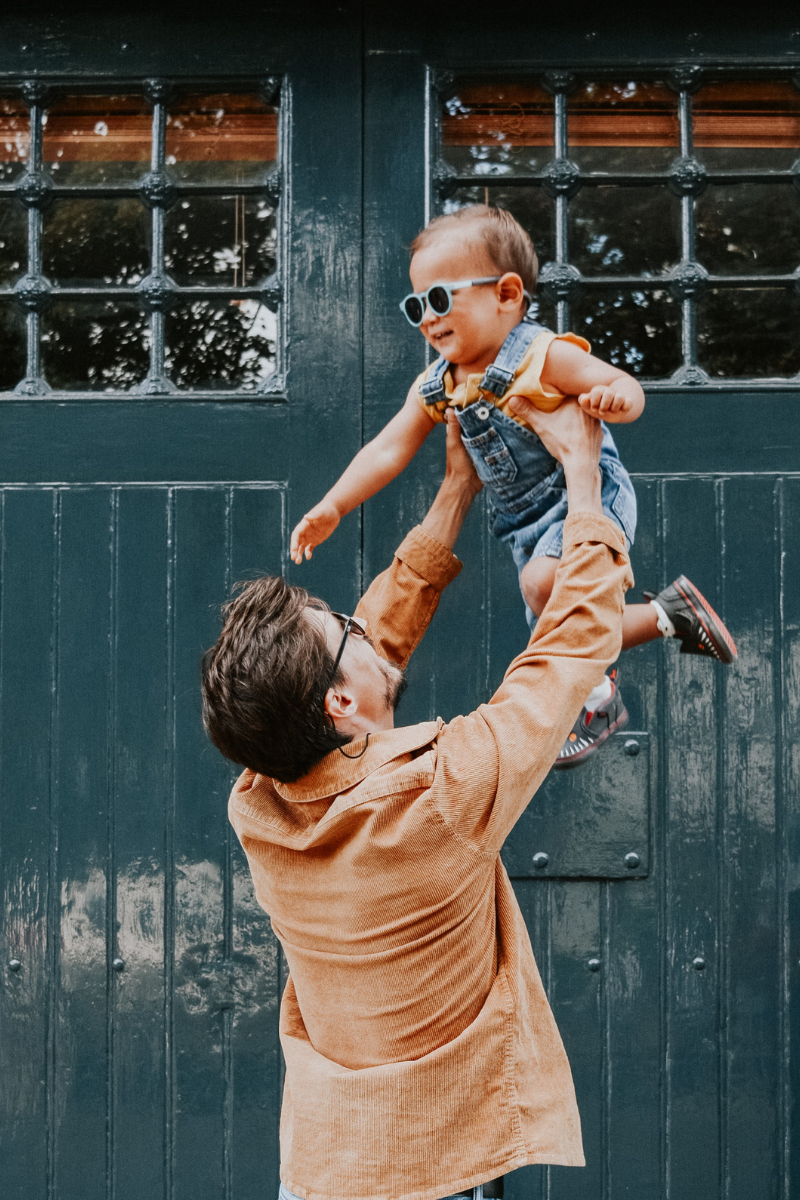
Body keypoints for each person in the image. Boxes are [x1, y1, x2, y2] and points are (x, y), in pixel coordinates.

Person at [202, 399, 630, 1200]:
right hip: (443, 1169)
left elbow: (366, 658)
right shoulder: (443, 793)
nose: (360, 625)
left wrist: (454, 492)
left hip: (325, 1168)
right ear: (338, 703)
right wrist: (582, 476)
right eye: (342, 628)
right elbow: (569, 647)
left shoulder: (257, 802)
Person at [289, 205, 736, 766]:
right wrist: (334, 505)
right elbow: (387, 447)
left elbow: (622, 384)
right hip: (523, 523)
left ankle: (603, 698)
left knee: (543, 586)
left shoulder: (542, 356)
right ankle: (670, 616)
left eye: (440, 299)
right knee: (556, 631)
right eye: (416, 306)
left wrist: (616, 401)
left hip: (589, 496)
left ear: (505, 293)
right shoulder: (438, 384)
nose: (428, 318)